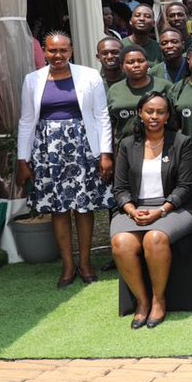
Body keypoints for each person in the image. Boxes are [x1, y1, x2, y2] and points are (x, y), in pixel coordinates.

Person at [16, 33, 115, 288]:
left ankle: (84, 262)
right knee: (58, 208)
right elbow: (27, 121)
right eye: (52, 51)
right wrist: (22, 160)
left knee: (84, 207)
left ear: (71, 50)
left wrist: (105, 154)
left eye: (62, 50)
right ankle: (67, 265)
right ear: (45, 52)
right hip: (48, 151)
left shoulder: (90, 75)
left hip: (83, 147)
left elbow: (102, 116)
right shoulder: (32, 80)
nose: (57, 56)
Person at [110, 92, 192, 328]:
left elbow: (186, 187)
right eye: (149, 111)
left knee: (154, 238)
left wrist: (160, 211)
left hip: (175, 208)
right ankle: (142, 302)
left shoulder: (181, 143)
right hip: (136, 207)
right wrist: (131, 210)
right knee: (121, 242)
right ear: (140, 113)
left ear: (168, 115)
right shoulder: (127, 144)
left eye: (160, 112)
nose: (154, 116)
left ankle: (159, 301)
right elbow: (119, 188)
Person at [107, 45, 168, 143]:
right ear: (122, 66)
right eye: (130, 62)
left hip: (160, 145)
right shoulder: (114, 90)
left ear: (147, 64)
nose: (136, 65)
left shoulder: (164, 86)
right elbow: (109, 124)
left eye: (141, 61)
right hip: (125, 148)